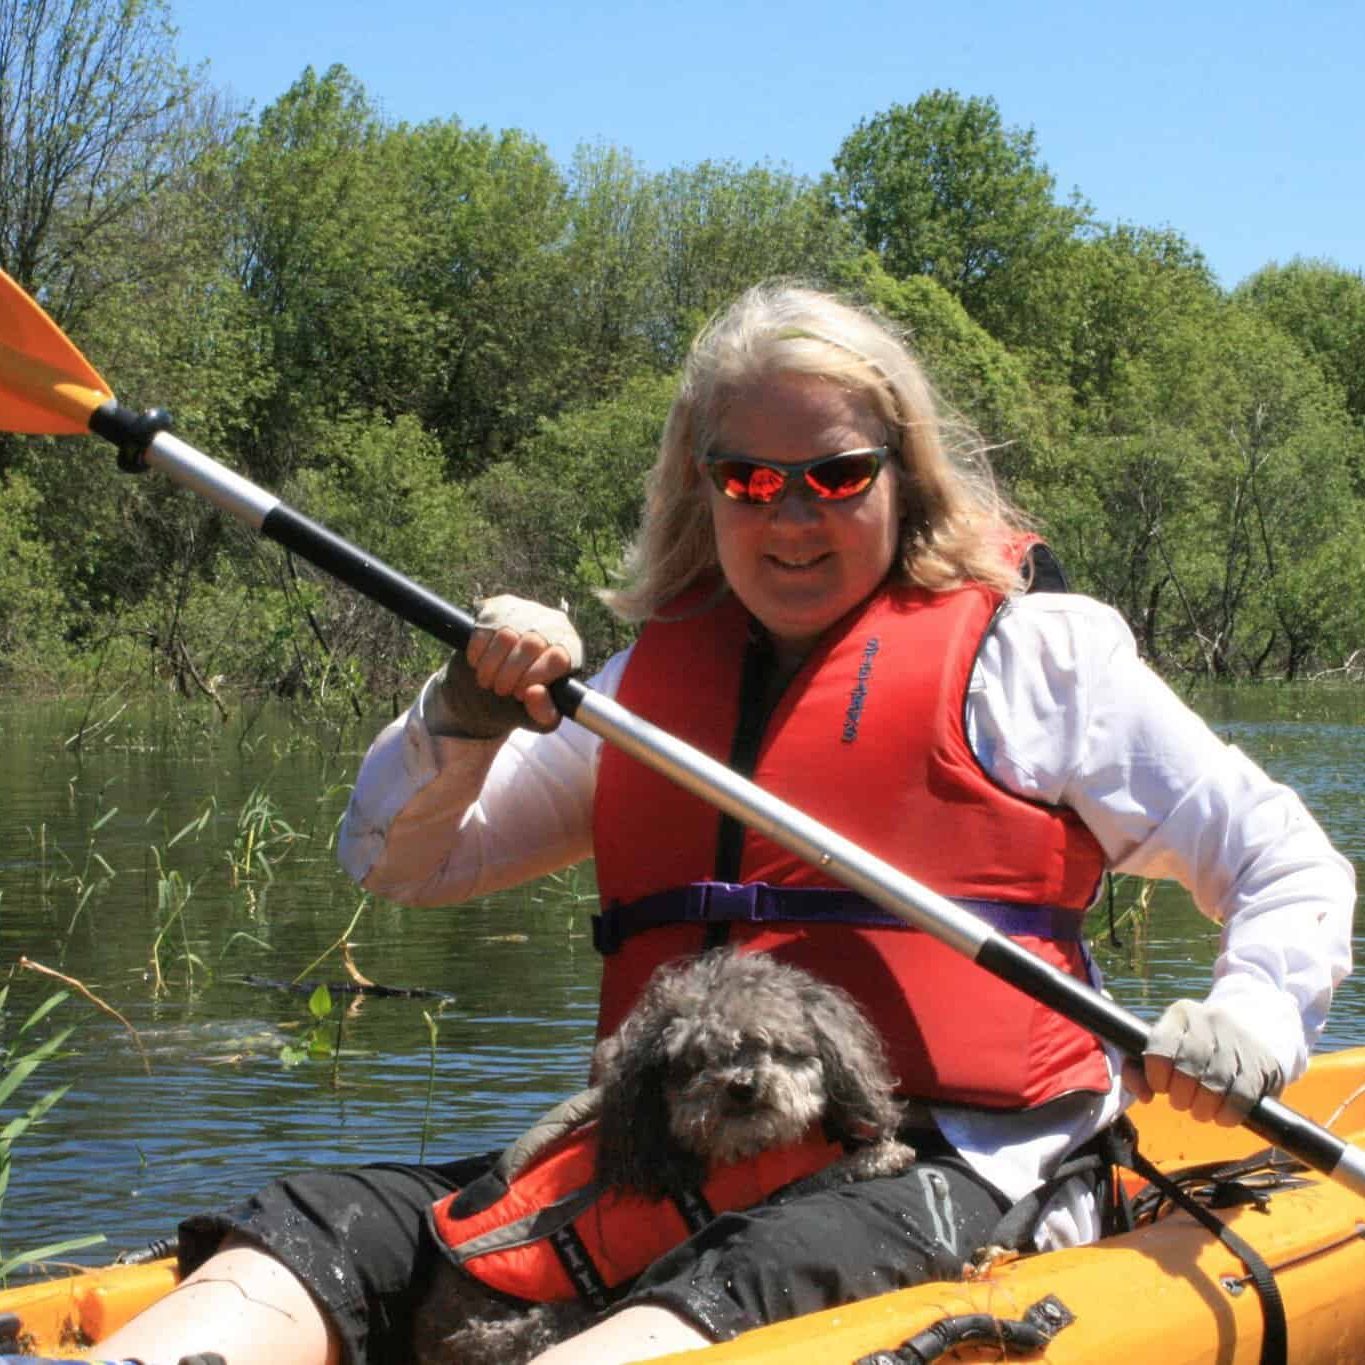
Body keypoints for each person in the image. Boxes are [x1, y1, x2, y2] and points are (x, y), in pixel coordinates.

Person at [67, 283, 1354, 1365]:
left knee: (734, 1287)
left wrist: (1247, 1018)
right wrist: (465, 706)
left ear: (902, 479)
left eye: (836, 475)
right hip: (670, 1143)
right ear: (703, 490)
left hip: (950, 1163)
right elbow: (404, 862)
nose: (791, 515)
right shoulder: (636, 695)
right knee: (319, 1220)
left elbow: (1284, 862)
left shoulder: (1037, 661)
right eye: (750, 477)